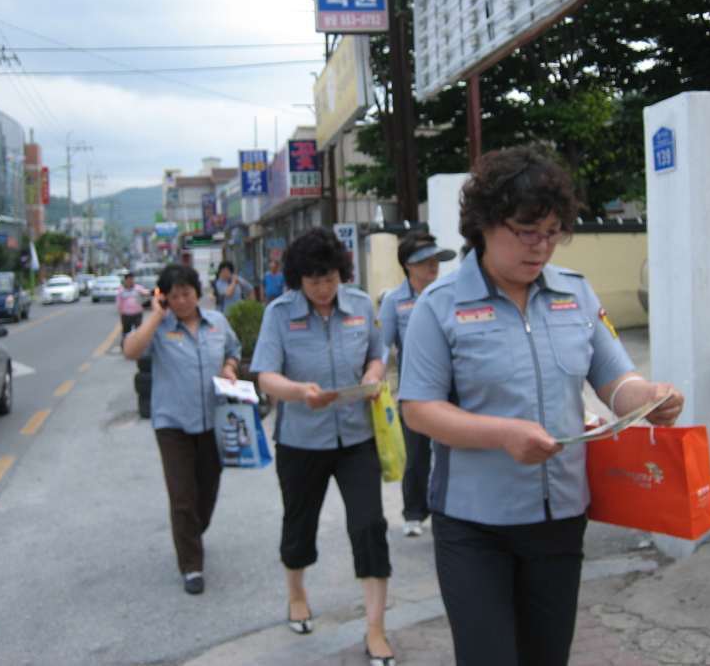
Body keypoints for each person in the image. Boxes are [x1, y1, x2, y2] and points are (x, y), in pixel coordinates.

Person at [398, 144, 685, 666]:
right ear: (485, 224)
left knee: (547, 657)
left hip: (560, 522)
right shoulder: (439, 307)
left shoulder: (574, 296)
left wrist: (648, 399)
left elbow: (614, 379)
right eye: (526, 232)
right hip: (473, 525)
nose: (541, 247)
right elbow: (418, 408)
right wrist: (503, 434)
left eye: (552, 232)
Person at [251, 227, 395, 666]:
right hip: (301, 441)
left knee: (369, 526)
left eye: (330, 278)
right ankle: (296, 593)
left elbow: (377, 352)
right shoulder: (279, 313)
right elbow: (265, 375)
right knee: (300, 524)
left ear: (341, 272)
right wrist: (298, 392)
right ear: (299, 278)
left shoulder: (360, 304)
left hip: (356, 438)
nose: (323, 288)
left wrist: (373, 376)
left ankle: (375, 628)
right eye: (313, 280)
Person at [123, 263, 242, 595]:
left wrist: (229, 368)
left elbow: (233, 351)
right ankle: (191, 564)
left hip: (212, 422)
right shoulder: (159, 328)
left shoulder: (217, 323)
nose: (181, 301)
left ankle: (192, 533)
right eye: (173, 296)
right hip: (172, 424)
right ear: (164, 298)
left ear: (198, 292)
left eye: (186, 294)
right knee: (181, 495)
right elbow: (131, 350)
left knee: (207, 492)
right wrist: (155, 316)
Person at [378, 230, 456, 538]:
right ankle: (413, 512)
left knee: (452, 451)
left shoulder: (450, 294)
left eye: (436, 258)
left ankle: (448, 508)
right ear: (408, 266)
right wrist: (375, 383)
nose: (432, 265)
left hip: (453, 388)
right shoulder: (394, 301)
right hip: (415, 392)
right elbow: (382, 348)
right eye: (424, 260)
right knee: (417, 454)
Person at [116, 272, 149, 338]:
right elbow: (119, 303)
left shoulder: (138, 288)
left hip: (137, 313)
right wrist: (121, 314)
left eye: (132, 280)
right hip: (127, 314)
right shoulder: (121, 290)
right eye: (129, 280)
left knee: (139, 331)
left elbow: (147, 294)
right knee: (126, 332)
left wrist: (143, 294)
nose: (130, 282)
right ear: (125, 281)